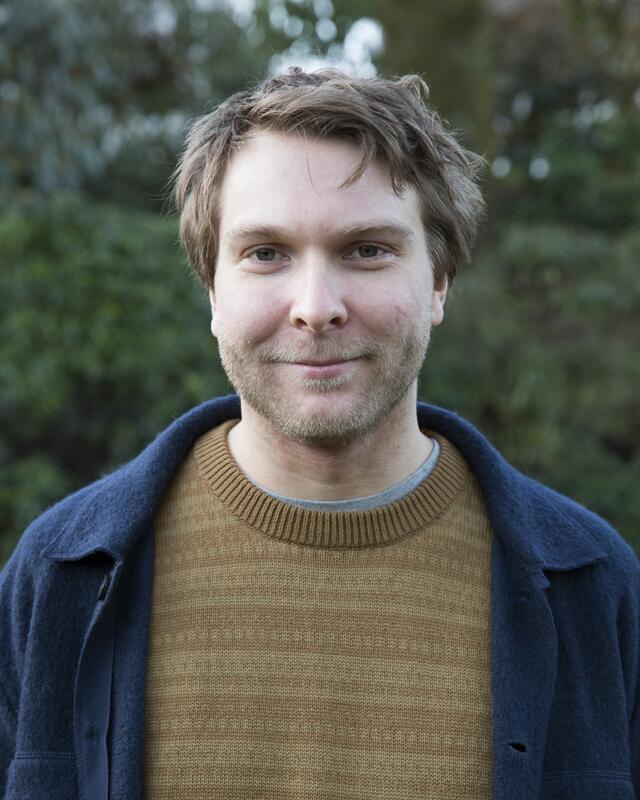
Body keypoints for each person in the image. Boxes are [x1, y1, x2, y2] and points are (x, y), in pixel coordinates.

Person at [0, 67, 638, 800]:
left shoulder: (595, 589)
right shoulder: (56, 580)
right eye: (265, 253)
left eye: (366, 250)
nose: (315, 306)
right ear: (212, 289)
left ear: (439, 282)